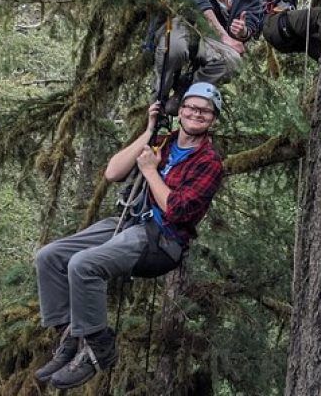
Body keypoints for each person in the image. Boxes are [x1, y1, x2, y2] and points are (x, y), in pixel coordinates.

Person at [33, 83, 224, 390]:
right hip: (130, 221)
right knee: (50, 257)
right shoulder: (162, 141)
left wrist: (150, 172)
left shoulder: (209, 162)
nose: (195, 114)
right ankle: (70, 336)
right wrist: (149, 130)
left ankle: (98, 346)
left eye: (205, 111)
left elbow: (177, 210)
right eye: (190, 107)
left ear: (213, 119)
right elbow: (112, 172)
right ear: (181, 110)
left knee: (83, 265)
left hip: (162, 240)